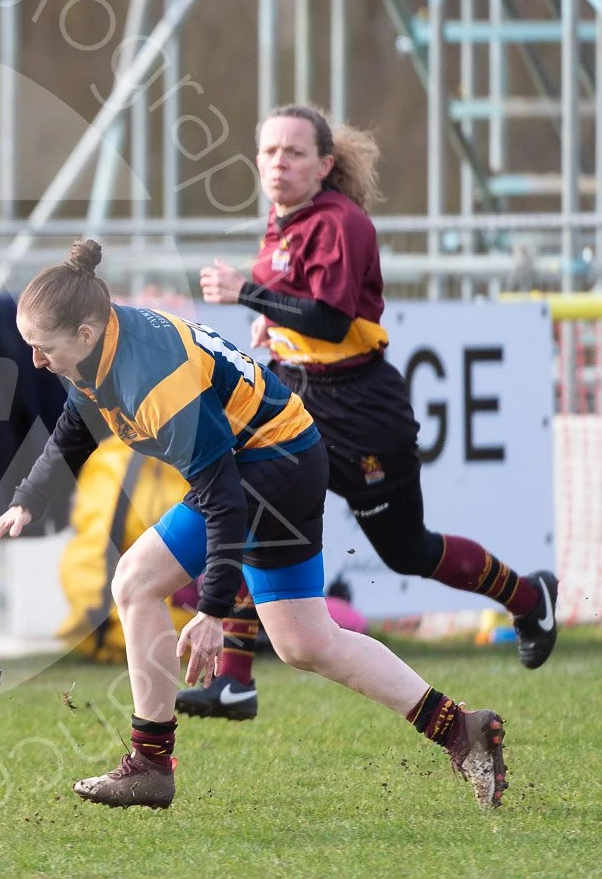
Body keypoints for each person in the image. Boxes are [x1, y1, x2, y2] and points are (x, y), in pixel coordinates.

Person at [0, 239, 508, 810]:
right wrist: (27, 500)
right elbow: (76, 421)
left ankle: (151, 763)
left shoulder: (154, 380)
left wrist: (211, 611)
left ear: (84, 334)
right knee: (306, 642)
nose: (36, 360)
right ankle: (461, 729)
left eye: (42, 347)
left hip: (271, 468)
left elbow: (224, 499)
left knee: (136, 580)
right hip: (277, 458)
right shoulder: (100, 341)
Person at [187, 103, 559, 720]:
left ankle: (528, 597)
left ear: (324, 164)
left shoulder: (343, 223)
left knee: (407, 549)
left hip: (358, 409)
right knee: (252, 498)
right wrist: (272, 326)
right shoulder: (282, 220)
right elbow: (301, 307)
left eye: (295, 152)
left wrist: (247, 294)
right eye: (270, 151)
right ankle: (235, 678)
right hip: (296, 393)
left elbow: (333, 319)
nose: (279, 162)